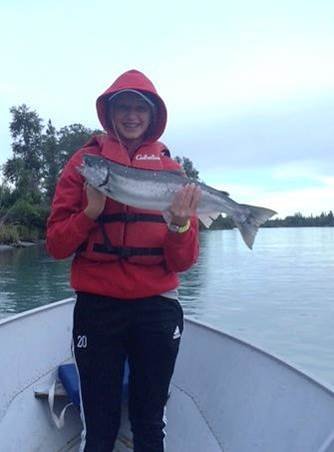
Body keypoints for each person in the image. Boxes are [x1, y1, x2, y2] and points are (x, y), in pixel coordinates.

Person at [46, 69, 201, 452]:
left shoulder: (173, 175)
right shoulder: (84, 163)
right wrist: (90, 214)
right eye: (123, 107)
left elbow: (183, 262)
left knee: (150, 422)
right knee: (99, 426)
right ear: (109, 113)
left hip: (157, 308)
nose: (131, 116)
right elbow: (55, 246)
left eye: (139, 108)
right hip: (98, 308)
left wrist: (180, 226)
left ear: (152, 116)